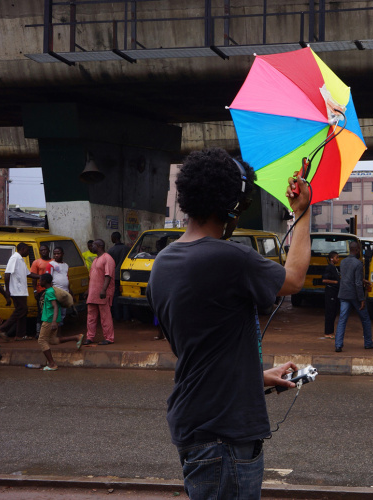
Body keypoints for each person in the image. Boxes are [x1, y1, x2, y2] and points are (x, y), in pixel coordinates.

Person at [146, 147, 307, 499]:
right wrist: (303, 211)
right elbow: (294, 279)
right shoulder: (230, 258)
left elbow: (200, 349)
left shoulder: (163, 263)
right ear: (234, 205)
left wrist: (257, 377)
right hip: (224, 437)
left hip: (195, 424)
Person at [335, 241, 373, 352]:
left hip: (344, 293)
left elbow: (347, 277)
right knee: (365, 319)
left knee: (342, 320)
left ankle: (338, 345)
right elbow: (357, 283)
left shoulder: (343, 262)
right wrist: (362, 299)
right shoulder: (358, 264)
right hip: (354, 295)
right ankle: (368, 342)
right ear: (357, 250)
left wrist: (363, 281)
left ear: (350, 249)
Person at [36, 273, 84, 371]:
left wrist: (53, 321)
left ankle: (52, 364)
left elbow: (55, 306)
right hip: (53, 319)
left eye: (40, 280)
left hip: (49, 319)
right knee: (52, 340)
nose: (39, 282)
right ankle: (76, 337)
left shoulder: (49, 292)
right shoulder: (50, 290)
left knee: (41, 340)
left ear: (45, 281)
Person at [0, 242, 40, 341]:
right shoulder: (14, 258)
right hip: (16, 290)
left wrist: (40, 276)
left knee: (23, 311)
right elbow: (7, 274)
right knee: (21, 309)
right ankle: (2, 329)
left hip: (21, 291)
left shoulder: (21, 260)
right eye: (27, 251)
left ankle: (20, 335)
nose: (28, 253)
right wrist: (7, 290)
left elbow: (28, 274)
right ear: (23, 249)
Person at [84, 239, 116, 345]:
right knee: (91, 317)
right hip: (93, 293)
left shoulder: (107, 258)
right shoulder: (95, 259)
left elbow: (108, 275)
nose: (91, 247)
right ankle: (90, 337)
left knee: (105, 316)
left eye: (93, 245)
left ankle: (109, 338)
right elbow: (92, 277)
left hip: (102, 293)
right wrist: (88, 290)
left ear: (99, 246)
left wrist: (103, 289)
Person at [30, 245, 53, 336]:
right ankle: (38, 331)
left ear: (48, 250)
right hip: (40, 290)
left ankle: (49, 331)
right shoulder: (36, 262)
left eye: (45, 249)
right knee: (41, 310)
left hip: (51, 290)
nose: (43, 251)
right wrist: (35, 290)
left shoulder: (53, 262)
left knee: (51, 309)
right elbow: (33, 276)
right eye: (41, 250)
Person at [108, 231, 130, 322]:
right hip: (127, 276)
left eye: (112, 237)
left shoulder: (111, 250)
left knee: (116, 295)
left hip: (116, 276)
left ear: (114, 238)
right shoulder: (127, 248)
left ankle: (117, 316)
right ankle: (127, 317)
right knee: (126, 295)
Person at [49, 247, 72, 325]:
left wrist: (70, 291)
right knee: (56, 312)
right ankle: (56, 332)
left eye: (58, 253)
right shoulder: (51, 264)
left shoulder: (66, 265)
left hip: (65, 292)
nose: (56, 255)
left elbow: (67, 277)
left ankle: (59, 330)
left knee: (63, 313)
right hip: (56, 292)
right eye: (54, 254)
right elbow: (49, 278)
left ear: (62, 254)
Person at [321, 250, 340, 339]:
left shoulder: (335, 267)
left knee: (333, 312)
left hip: (335, 293)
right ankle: (327, 332)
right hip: (330, 293)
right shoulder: (329, 268)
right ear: (332, 259)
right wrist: (334, 282)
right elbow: (324, 280)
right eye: (337, 257)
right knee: (330, 312)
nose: (338, 259)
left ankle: (331, 331)